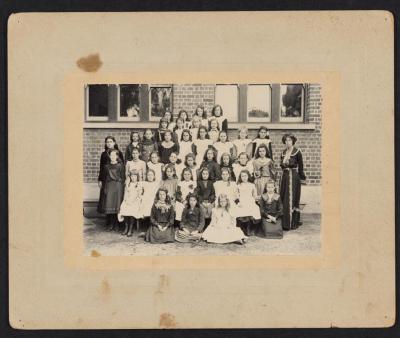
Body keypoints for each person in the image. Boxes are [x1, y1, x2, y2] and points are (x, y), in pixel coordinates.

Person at [280, 134, 306, 230]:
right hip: (285, 177)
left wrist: (301, 177)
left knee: (292, 197)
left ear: (293, 141)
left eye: (289, 140)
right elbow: (282, 165)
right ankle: (284, 222)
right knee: (284, 197)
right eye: (286, 140)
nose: (288, 142)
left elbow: (301, 166)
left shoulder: (297, 152)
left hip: (293, 177)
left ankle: (292, 222)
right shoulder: (283, 152)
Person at [97, 136, 124, 214]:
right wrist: (100, 179)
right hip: (106, 178)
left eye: (110, 141)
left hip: (115, 180)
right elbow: (101, 167)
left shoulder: (118, 152)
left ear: (114, 143)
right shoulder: (104, 154)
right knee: (106, 198)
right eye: (107, 142)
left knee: (115, 200)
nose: (109, 143)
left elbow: (121, 166)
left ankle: (116, 220)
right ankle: (108, 219)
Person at [102, 149, 125, 231]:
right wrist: (105, 188)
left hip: (118, 186)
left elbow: (123, 177)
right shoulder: (106, 166)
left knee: (117, 204)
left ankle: (117, 224)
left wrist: (122, 187)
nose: (112, 157)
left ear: (117, 156)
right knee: (110, 204)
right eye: (111, 155)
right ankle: (111, 224)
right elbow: (105, 178)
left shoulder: (120, 166)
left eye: (114, 155)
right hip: (109, 185)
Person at [235, 170, 261, 236]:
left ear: (248, 176)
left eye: (245, 176)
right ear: (240, 177)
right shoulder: (238, 186)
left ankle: (249, 228)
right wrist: (238, 202)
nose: (244, 177)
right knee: (241, 209)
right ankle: (243, 228)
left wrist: (258, 198)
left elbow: (254, 195)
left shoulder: (252, 185)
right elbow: (236, 196)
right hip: (242, 201)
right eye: (242, 176)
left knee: (255, 208)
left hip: (250, 200)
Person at [118, 170, 143, 236]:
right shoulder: (128, 184)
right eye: (132, 176)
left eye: (135, 176)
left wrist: (133, 201)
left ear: (137, 177)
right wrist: (126, 200)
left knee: (132, 210)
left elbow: (139, 195)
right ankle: (126, 227)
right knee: (124, 207)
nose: (133, 178)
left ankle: (130, 228)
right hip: (128, 200)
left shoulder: (139, 184)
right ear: (130, 177)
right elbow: (125, 193)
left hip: (135, 201)